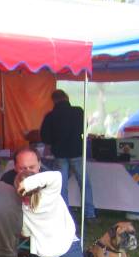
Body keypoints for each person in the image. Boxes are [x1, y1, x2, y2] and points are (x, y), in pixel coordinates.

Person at [0, 148, 61, 257]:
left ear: (40, 165)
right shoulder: (7, 180)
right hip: (17, 227)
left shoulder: (49, 180)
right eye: (22, 168)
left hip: (45, 230)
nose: (28, 171)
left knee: (44, 253)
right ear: (15, 167)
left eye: (32, 167)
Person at [40, 89, 97, 220]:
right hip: (76, 151)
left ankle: (64, 215)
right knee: (84, 183)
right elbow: (84, 128)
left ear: (54, 100)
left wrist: (54, 141)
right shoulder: (78, 111)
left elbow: (45, 137)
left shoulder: (50, 116)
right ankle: (90, 212)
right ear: (67, 97)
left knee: (62, 186)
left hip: (59, 153)